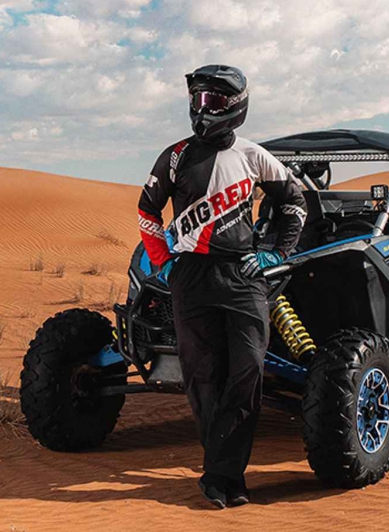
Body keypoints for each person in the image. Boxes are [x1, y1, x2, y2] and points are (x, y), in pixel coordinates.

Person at [136, 64, 308, 509]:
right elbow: (146, 212)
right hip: (190, 277)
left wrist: (276, 252)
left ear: (234, 106)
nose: (200, 108)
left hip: (243, 276)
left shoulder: (254, 155)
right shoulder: (174, 156)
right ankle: (224, 478)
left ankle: (220, 474)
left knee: (247, 373)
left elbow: (294, 201)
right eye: (196, 100)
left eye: (210, 101)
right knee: (201, 378)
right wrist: (164, 264)